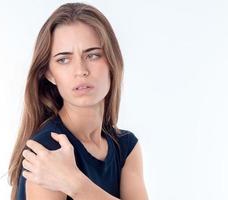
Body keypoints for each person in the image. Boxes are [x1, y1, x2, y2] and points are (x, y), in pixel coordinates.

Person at [8, 2, 149, 200]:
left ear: (112, 61)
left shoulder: (125, 147)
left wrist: (75, 184)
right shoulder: (47, 152)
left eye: (92, 55)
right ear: (49, 73)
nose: (81, 70)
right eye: (63, 59)